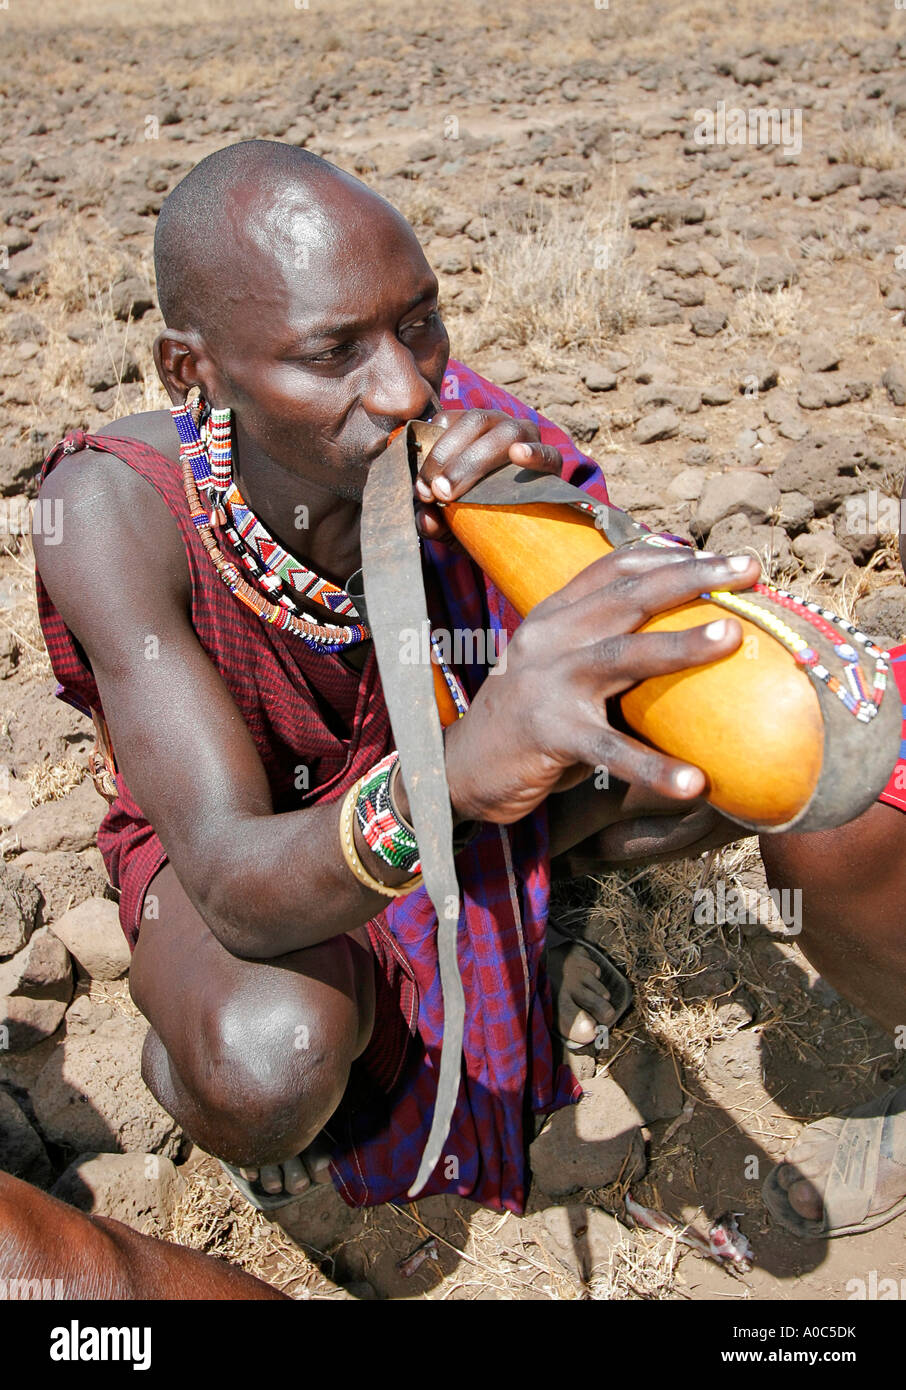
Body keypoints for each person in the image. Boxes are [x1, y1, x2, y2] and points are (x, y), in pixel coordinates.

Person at [34, 140, 905, 1235]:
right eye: (333, 352)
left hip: (471, 759)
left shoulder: (463, 438)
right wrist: (446, 783)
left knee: (780, 744)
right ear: (189, 371)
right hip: (264, 847)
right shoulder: (117, 514)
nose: (405, 387)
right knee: (267, 1059)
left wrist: (543, 513)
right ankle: (220, 1077)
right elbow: (230, 876)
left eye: (419, 322)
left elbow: (671, 652)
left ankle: (544, 915)